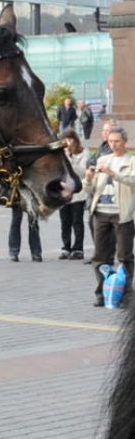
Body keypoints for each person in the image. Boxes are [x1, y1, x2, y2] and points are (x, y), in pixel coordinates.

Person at [84, 127, 135, 306]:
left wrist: (113, 173)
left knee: (125, 256)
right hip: (101, 213)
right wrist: (88, 178)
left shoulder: (131, 161)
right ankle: (102, 293)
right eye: (111, 141)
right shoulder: (102, 159)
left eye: (117, 141)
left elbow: (132, 181)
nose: (113, 144)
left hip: (122, 215)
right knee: (100, 256)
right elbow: (88, 189)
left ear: (125, 142)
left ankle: (126, 296)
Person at [60, 130, 89, 259]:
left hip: (78, 192)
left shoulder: (84, 153)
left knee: (77, 221)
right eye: (65, 140)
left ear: (75, 139)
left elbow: (83, 172)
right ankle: (66, 247)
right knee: (65, 221)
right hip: (64, 192)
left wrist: (70, 160)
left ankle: (78, 249)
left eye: (70, 139)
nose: (68, 143)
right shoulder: (61, 154)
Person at [8, 197, 44, 262]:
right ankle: (14, 251)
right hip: (16, 191)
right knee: (16, 220)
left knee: (33, 223)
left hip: (32, 192)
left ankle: (36, 252)